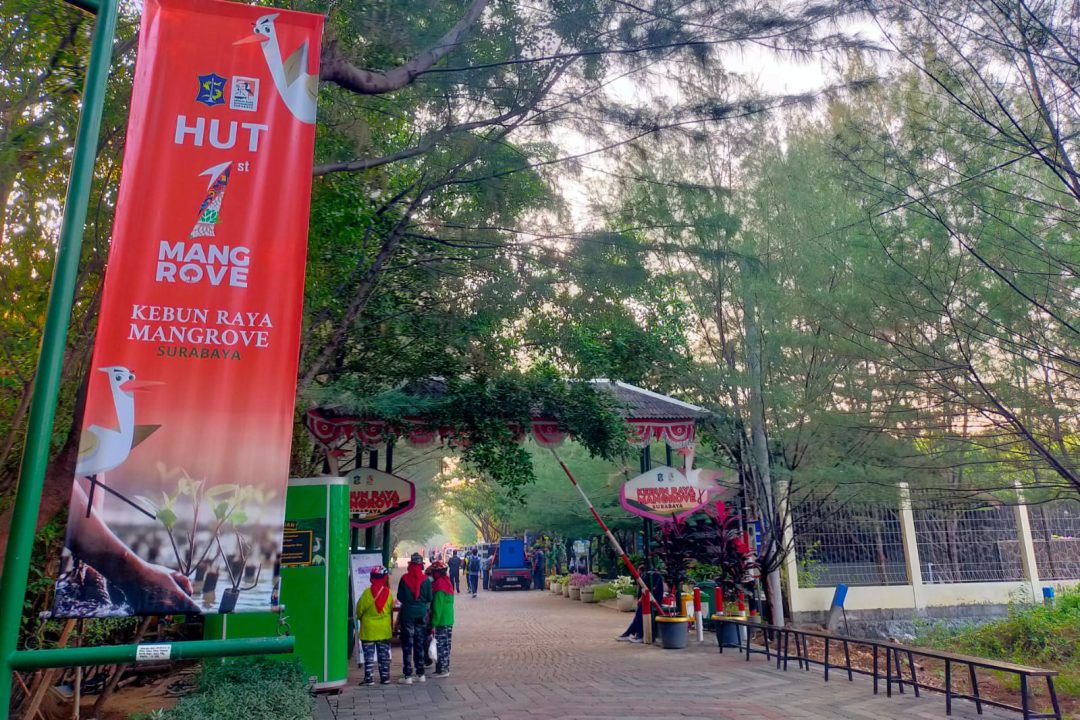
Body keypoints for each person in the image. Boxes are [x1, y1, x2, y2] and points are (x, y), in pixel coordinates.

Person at [396, 552, 432, 684]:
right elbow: (429, 598)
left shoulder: (404, 578)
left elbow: (400, 596)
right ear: (421, 565)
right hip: (422, 614)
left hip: (407, 615)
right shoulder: (426, 581)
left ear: (410, 564)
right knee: (419, 643)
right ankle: (420, 673)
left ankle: (408, 676)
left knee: (407, 644)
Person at [356, 566, 393, 685]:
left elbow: (359, 610)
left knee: (369, 657)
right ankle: (385, 677)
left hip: (369, 630)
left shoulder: (367, 593)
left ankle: (369, 679)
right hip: (383, 630)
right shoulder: (388, 593)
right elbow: (390, 609)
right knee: (384, 656)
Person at [616, 570, 664, 644]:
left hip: (653, 601)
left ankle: (639, 634)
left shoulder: (653, 576)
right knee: (639, 612)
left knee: (640, 612)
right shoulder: (650, 575)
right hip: (651, 599)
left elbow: (651, 590)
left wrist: (641, 599)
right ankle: (632, 632)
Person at [429, 560, 455, 677]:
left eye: (434, 572)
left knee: (441, 646)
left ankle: (443, 669)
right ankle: (443, 668)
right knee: (446, 645)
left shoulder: (439, 585)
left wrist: (433, 623)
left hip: (441, 620)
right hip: (449, 619)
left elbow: (437, 606)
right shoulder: (447, 582)